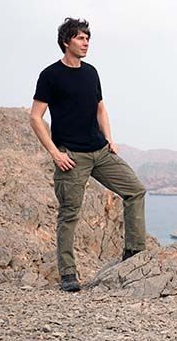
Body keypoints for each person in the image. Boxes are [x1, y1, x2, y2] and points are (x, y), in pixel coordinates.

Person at [29, 17, 146, 292]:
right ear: (66, 42)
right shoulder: (50, 75)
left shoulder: (91, 72)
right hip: (72, 157)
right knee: (69, 214)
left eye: (88, 38)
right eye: (81, 38)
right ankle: (68, 274)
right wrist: (55, 153)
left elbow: (100, 108)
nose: (86, 43)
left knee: (135, 190)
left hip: (101, 152)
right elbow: (35, 117)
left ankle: (134, 252)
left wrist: (109, 139)